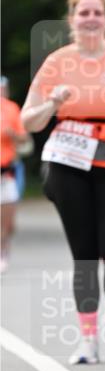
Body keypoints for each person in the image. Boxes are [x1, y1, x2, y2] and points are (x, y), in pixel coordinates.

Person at [22, 0, 105, 364]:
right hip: (68, 158)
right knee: (85, 254)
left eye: (97, 12)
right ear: (72, 19)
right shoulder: (57, 61)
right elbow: (30, 120)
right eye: (83, 12)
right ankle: (88, 339)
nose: (90, 18)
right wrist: (53, 103)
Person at [1, 82, 29, 272]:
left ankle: (3, 251)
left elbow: (24, 139)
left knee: (8, 222)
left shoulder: (11, 108)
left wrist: (12, 135)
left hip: (6, 172)